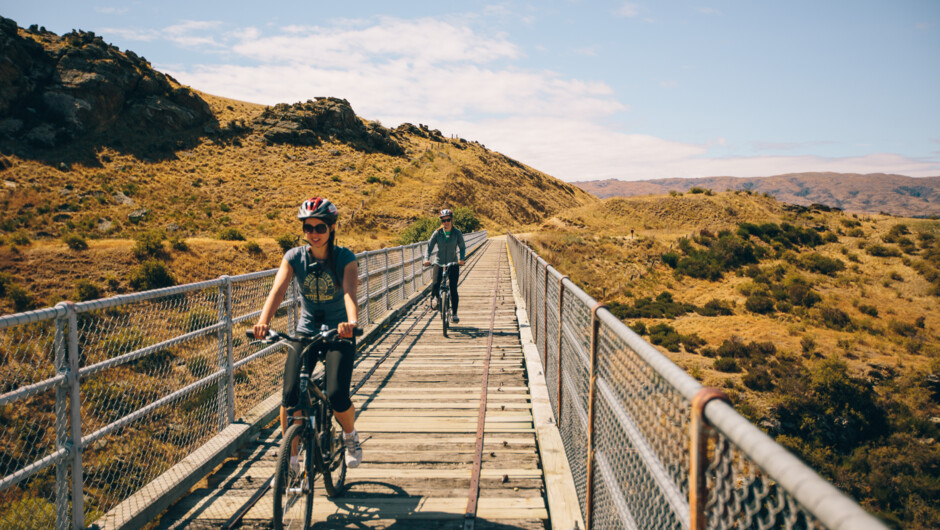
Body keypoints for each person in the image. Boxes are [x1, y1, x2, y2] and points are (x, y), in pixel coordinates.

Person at [253, 197, 362, 469]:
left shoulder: (345, 258)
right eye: (308, 228)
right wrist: (263, 321)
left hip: (340, 333)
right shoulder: (294, 257)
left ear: (332, 228)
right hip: (307, 330)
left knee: (337, 394)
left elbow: (349, 292)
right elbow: (277, 290)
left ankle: (350, 435)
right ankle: (289, 459)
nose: (313, 234)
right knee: (290, 396)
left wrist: (351, 322)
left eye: (320, 228)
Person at [423, 208, 466, 323]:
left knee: (453, 288)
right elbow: (429, 247)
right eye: (443, 220)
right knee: (435, 283)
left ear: (451, 220)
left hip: (453, 263)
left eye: (448, 220)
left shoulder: (457, 233)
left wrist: (462, 259)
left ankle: (455, 314)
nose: (445, 222)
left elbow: (462, 247)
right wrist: (426, 259)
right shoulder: (437, 233)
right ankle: (435, 300)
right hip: (439, 262)